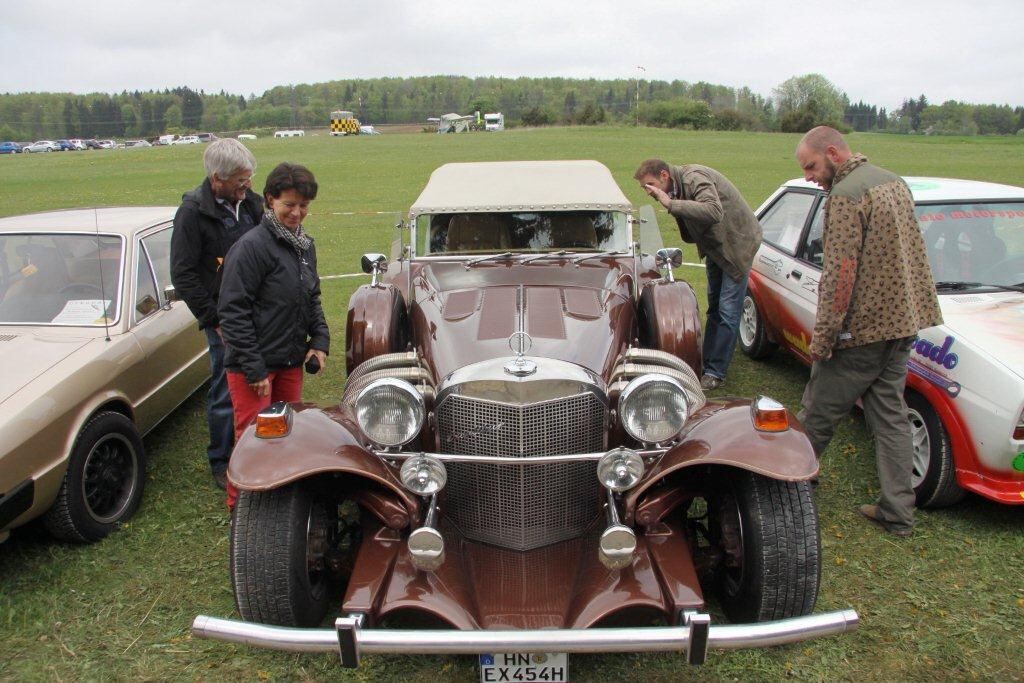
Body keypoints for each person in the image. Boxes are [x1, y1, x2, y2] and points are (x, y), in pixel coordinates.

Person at [794, 126, 942, 537]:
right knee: (890, 418)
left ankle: (785, 489)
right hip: (903, 325)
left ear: (834, 153)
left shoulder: (844, 196)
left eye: (811, 166)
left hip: (861, 332)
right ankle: (897, 511)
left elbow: (839, 275)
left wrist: (823, 338)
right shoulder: (893, 181)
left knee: (817, 414)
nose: (809, 176)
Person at [217, 162, 330, 507]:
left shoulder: (303, 246)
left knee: (288, 432)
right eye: (289, 205)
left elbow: (310, 296)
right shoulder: (251, 248)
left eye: (304, 206)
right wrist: (253, 369)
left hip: (289, 362)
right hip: (255, 367)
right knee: (253, 439)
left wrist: (320, 342)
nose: (297, 213)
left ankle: (278, 498)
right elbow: (232, 312)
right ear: (269, 200)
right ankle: (244, 508)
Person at [170, 139, 263, 490]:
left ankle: (262, 448)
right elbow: (183, 274)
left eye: (249, 177)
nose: (247, 185)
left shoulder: (251, 204)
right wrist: (214, 320)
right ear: (217, 178)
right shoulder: (193, 213)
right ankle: (222, 460)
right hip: (224, 319)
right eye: (240, 180)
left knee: (260, 378)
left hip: (258, 312)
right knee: (226, 387)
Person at [634, 159, 762, 390]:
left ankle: (716, 372)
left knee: (727, 310)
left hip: (736, 245)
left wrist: (670, 203)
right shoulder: (676, 185)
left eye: (650, 185)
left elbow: (713, 210)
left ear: (664, 175)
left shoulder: (694, 178)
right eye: (645, 188)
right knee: (714, 306)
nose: (648, 191)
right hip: (716, 248)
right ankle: (707, 361)